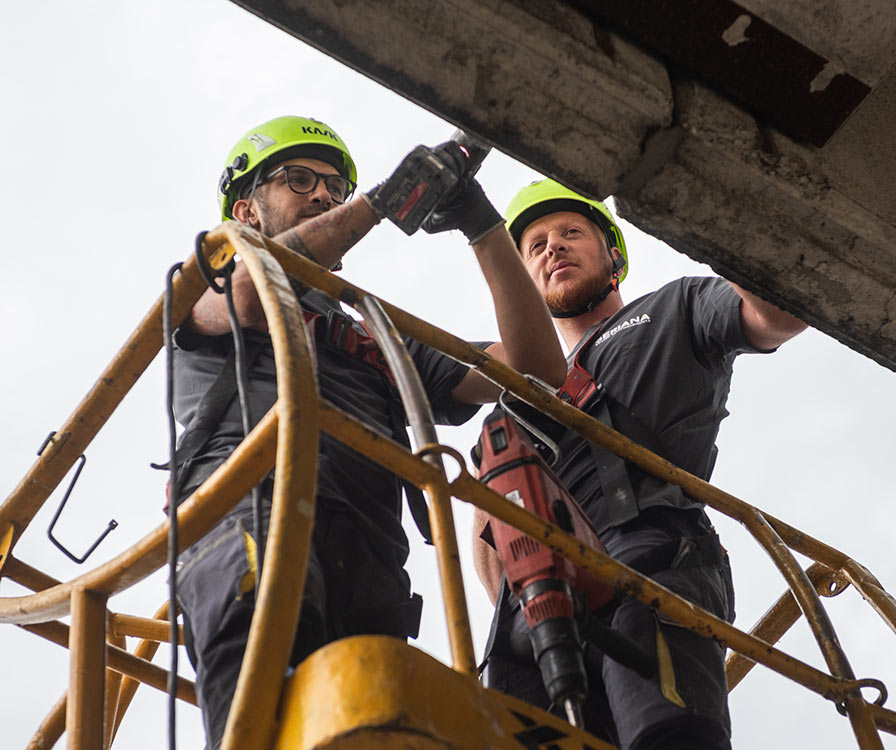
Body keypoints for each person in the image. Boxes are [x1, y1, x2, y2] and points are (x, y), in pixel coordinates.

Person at [172, 116, 565, 749]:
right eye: (300, 180)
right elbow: (250, 294)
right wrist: (381, 202)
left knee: (372, 721)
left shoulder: (378, 332)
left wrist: (481, 223)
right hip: (248, 510)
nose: (324, 195)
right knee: (267, 680)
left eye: (336, 187)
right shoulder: (205, 283)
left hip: (369, 550)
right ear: (246, 210)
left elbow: (537, 372)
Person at [472, 179, 807, 750]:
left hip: (651, 556)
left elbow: (774, 316)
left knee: (667, 736)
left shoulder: (674, 309)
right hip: (536, 606)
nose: (554, 247)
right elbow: (488, 528)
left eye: (571, 232)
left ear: (614, 257)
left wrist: (719, 211)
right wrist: (527, 603)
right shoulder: (512, 398)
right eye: (536, 246)